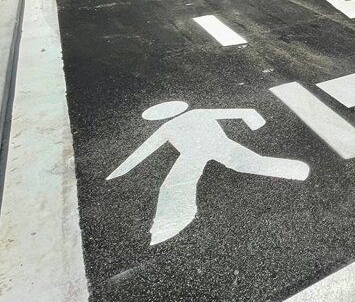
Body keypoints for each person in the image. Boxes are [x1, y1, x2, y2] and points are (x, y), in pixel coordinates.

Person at [107, 100, 309, 245]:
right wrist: (255, 122)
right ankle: (167, 225)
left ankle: (168, 224)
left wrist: (121, 170)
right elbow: (243, 111)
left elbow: (142, 152)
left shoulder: (169, 126)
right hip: (210, 149)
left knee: (176, 183)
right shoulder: (194, 115)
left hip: (199, 152)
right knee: (245, 163)